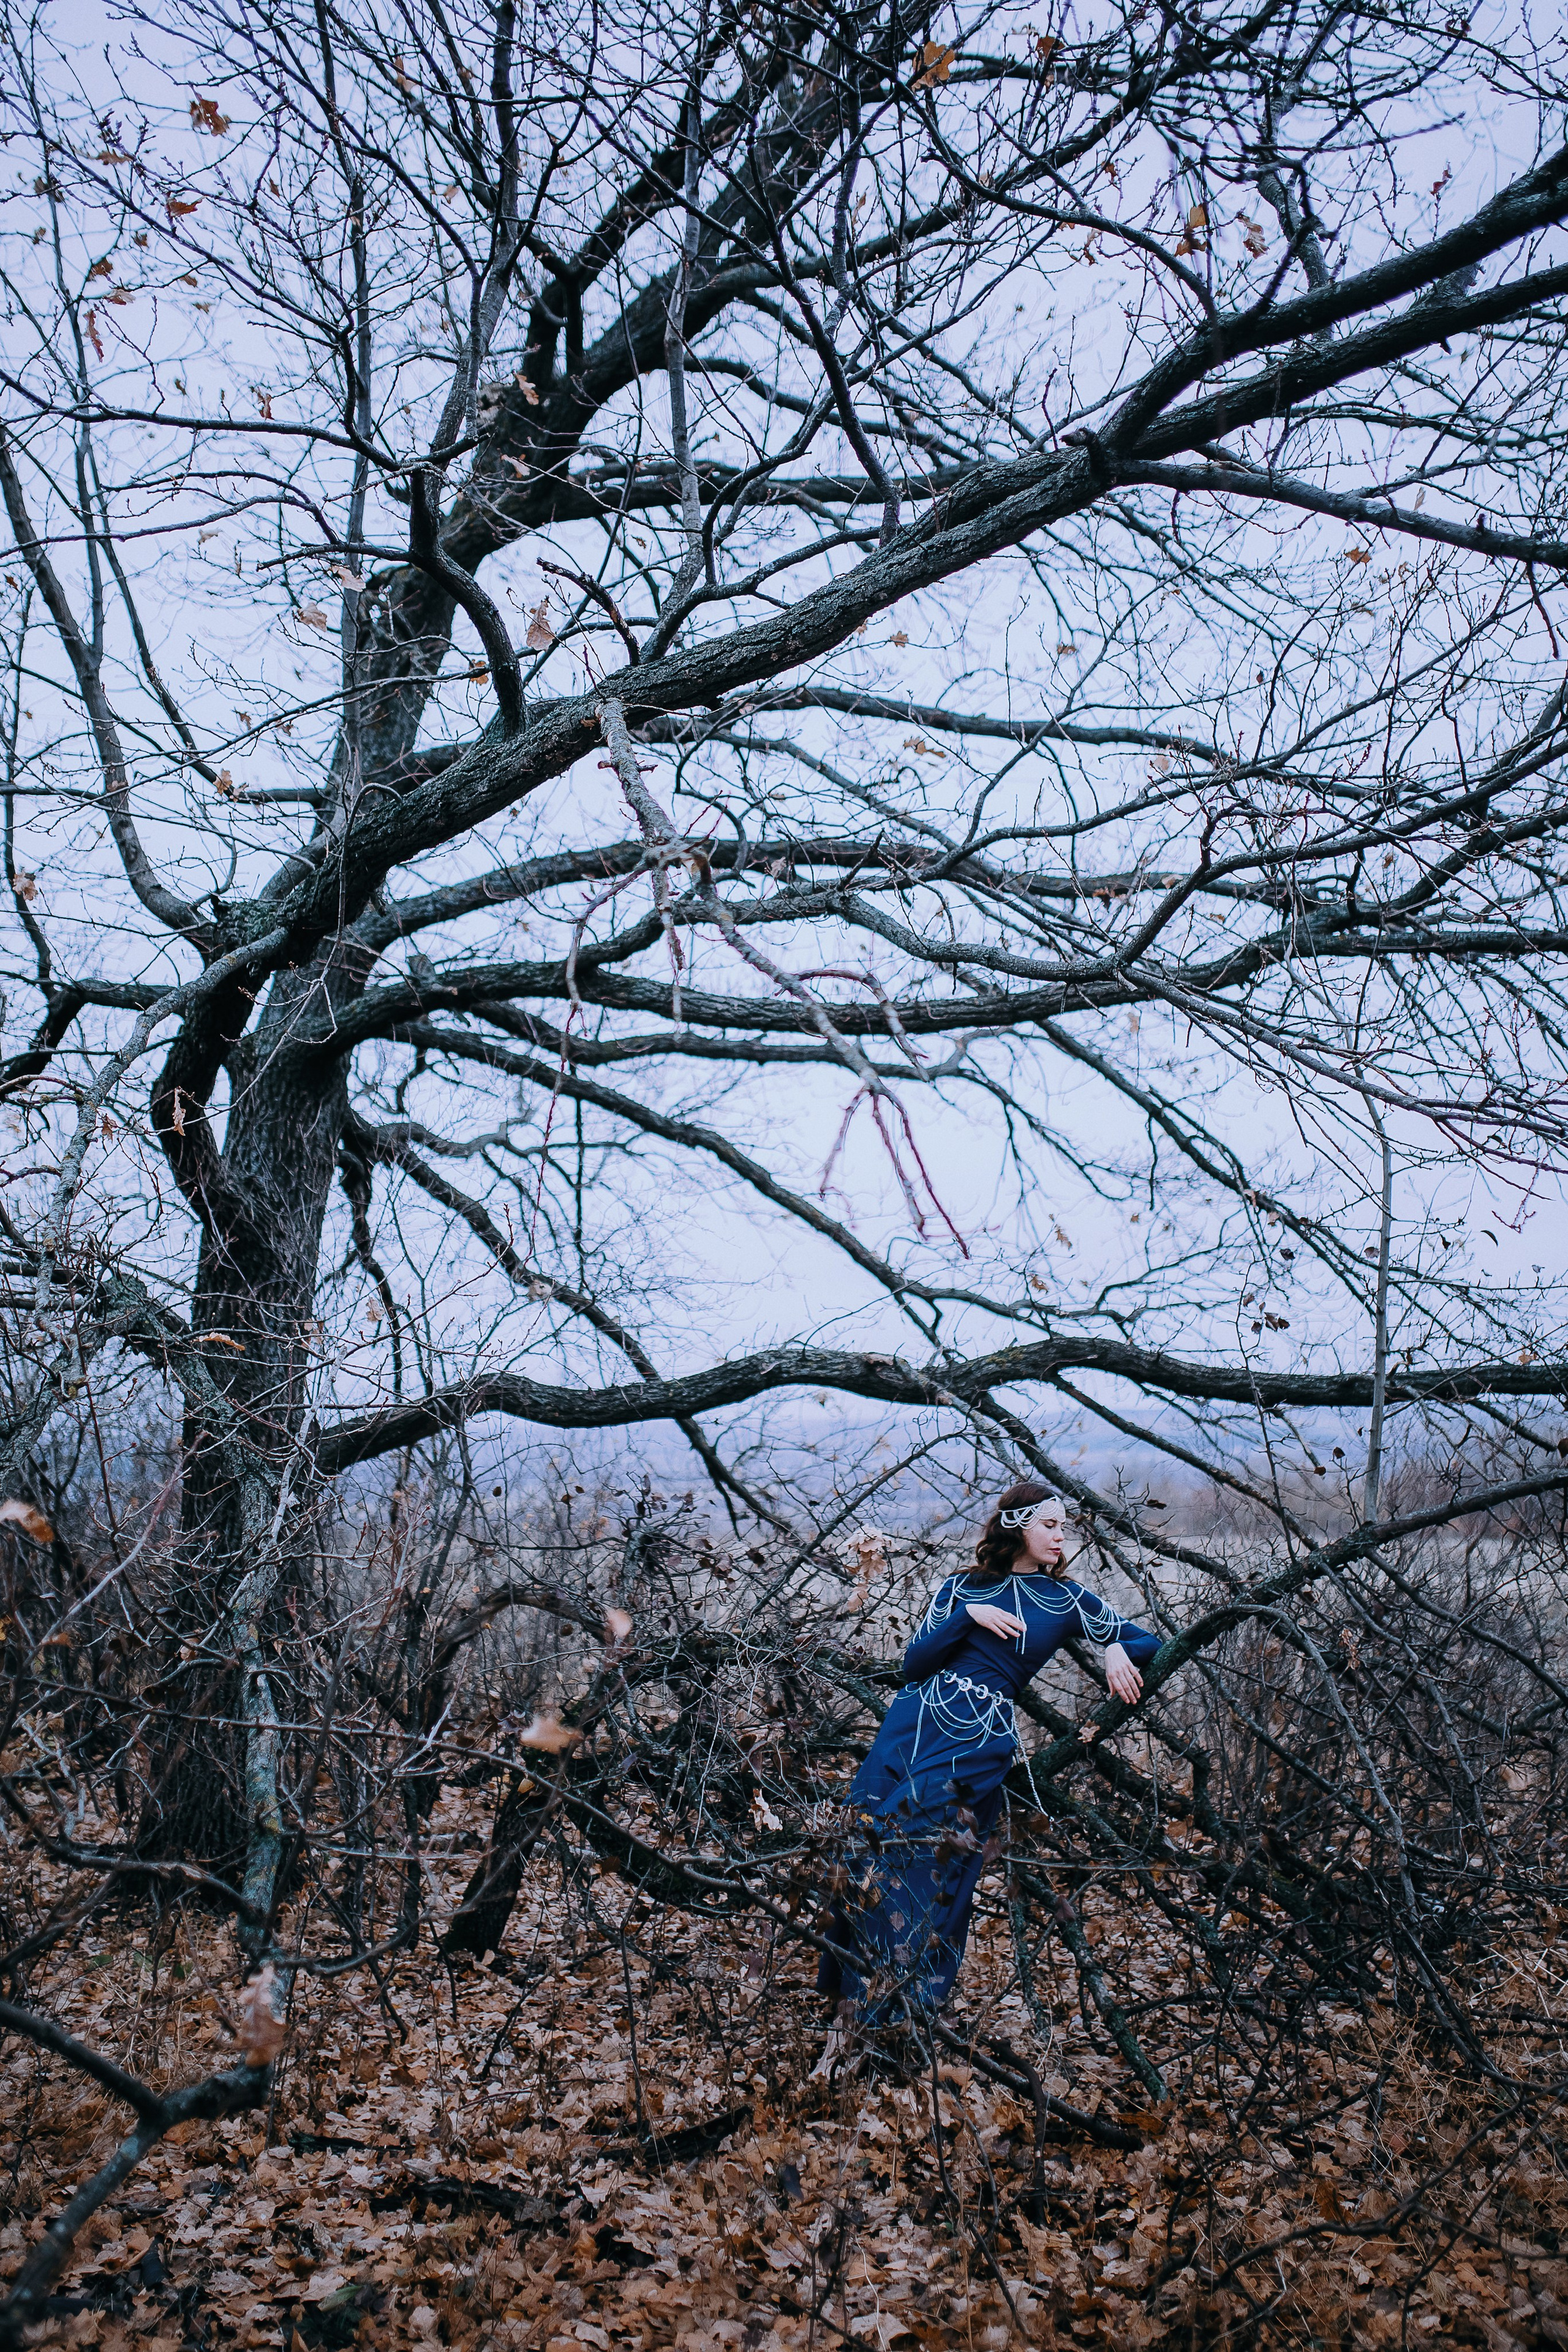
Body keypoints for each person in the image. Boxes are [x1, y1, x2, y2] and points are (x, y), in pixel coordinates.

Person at [815, 1480, 1160, 2056]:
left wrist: (1116, 1647)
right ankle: (846, 2006)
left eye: (1064, 1526)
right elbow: (915, 1664)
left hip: (975, 1741)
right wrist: (968, 1616)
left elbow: (1149, 1641)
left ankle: (894, 2014)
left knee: (922, 1863)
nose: (1061, 1536)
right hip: (908, 1728)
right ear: (1018, 1527)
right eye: (1050, 1525)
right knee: (862, 1847)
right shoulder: (961, 1588)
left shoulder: (1067, 1599)